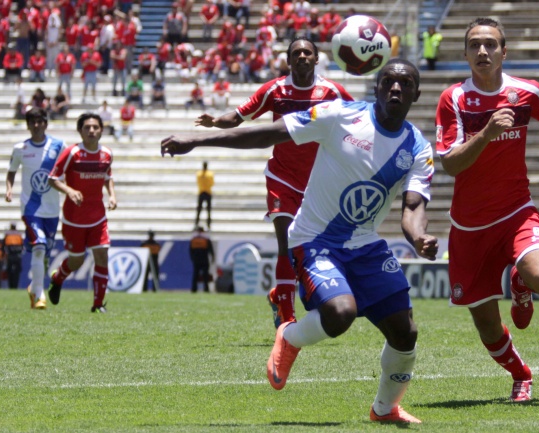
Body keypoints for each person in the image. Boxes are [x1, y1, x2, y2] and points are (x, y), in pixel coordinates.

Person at [163, 58, 437, 424]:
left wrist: (418, 237)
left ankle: (385, 410)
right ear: (376, 87)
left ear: (416, 94)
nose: (396, 89)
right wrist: (197, 141)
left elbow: (413, 207)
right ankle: (290, 337)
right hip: (314, 239)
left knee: (405, 332)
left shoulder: (418, 148)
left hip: (365, 244)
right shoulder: (339, 115)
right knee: (340, 313)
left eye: (405, 84)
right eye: (388, 81)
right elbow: (269, 134)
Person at [434, 18, 539, 402]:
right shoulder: (453, 99)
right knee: (486, 325)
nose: (482, 51)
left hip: (516, 211)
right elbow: (450, 164)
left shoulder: (527, 92)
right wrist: (487, 133)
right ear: (465, 54)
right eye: (474, 45)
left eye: (490, 44)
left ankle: (520, 283)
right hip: (469, 227)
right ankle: (520, 374)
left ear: (504, 52)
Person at [195, 37, 353, 329]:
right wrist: (216, 121)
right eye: (296, 53)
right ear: (288, 61)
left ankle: (279, 293)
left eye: (307, 52)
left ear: (316, 59)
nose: (302, 56)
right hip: (281, 177)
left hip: (318, 182)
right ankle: (287, 317)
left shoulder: (332, 91)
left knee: (309, 249)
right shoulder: (275, 89)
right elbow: (239, 116)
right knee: (286, 243)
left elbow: (359, 120)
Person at [47, 113, 117, 313]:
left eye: (95, 127)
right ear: (80, 131)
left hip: (98, 217)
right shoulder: (72, 153)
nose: (91, 131)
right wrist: (69, 191)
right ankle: (57, 278)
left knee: (102, 256)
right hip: (74, 219)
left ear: (101, 130)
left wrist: (112, 195)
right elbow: (52, 178)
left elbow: (107, 176)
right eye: (87, 127)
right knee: (76, 261)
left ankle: (98, 305)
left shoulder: (107, 154)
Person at [5, 108, 66, 306]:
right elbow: (11, 171)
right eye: (33, 122)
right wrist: (9, 189)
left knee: (44, 253)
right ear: (28, 125)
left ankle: (34, 286)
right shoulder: (20, 148)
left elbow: (68, 167)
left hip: (52, 209)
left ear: (46, 124)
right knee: (39, 246)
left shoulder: (58, 145)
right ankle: (39, 295)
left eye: (40, 121)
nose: (37, 125)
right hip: (30, 208)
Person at [189, 226, 215, 293]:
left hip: (197, 260)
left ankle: (194, 289)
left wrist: (192, 258)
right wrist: (212, 257)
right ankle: (206, 289)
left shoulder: (194, 239)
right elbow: (211, 250)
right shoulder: (206, 239)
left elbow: (191, 251)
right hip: (204, 260)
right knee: (205, 275)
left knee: (195, 275)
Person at [2, 223, 24, 289]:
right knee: (17, 271)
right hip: (17, 255)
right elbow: (22, 245)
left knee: (9, 271)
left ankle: (10, 285)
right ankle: (15, 286)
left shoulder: (7, 234)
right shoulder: (19, 234)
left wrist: (3, 254)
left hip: (10, 255)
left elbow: (3, 245)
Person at [194, 161, 214, 229]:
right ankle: (198, 223)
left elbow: (211, 183)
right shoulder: (207, 174)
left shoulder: (201, 174)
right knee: (201, 209)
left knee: (207, 209)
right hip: (205, 192)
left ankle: (207, 223)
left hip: (204, 192)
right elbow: (212, 183)